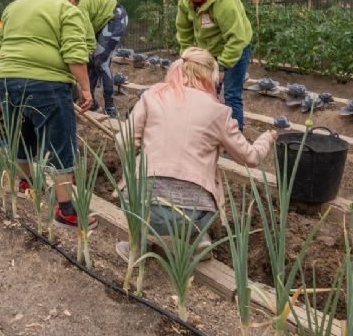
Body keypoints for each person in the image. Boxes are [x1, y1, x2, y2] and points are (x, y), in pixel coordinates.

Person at [114, 47, 277, 261]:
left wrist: (137, 158)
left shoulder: (154, 95)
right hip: (194, 215)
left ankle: (137, 245)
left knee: (140, 196)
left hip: (142, 207)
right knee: (199, 193)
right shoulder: (218, 111)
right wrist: (268, 137)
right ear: (210, 76)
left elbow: (122, 140)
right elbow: (251, 158)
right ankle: (198, 235)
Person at [0, 0, 98, 229]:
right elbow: (74, 52)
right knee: (60, 142)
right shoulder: (67, 9)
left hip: (7, 80)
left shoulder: (15, 6)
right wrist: (85, 89)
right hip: (46, 84)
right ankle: (67, 212)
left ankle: (27, 185)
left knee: (21, 135)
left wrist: (3, 74)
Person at [176, 0, 253, 131]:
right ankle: (210, 133)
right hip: (209, 50)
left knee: (232, 95)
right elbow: (184, 32)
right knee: (206, 93)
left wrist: (223, 67)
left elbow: (236, 38)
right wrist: (188, 57)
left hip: (235, 48)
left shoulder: (223, 1)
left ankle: (235, 139)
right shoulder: (186, 1)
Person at [77, 0, 128, 117]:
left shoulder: (77, 5)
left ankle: (110, 108)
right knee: (91, 61)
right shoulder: (66, 3)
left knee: (100, 62)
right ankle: (92, 104)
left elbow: (86, 34)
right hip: (100, 23)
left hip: (115, 17)